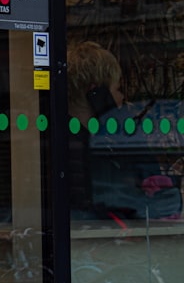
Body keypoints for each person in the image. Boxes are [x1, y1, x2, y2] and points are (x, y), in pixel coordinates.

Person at [67, 41, 181, 221]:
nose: (121, 98)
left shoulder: (101, 137)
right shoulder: (79, 145)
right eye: (117, 89)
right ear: (95, 92)